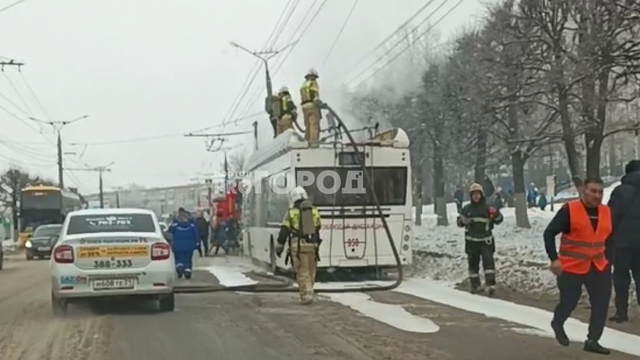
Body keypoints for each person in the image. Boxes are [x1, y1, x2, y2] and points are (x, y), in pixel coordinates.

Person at [543, 178, 612, 355]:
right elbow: (549, 233)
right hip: (571, 266)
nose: (597, 195)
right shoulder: (570, 210)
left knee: (601, 303)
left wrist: (610, 258)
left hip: (598, 265)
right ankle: (558, 322)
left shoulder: (605, 212)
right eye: (593, 191)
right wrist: (554, 259)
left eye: (600, 192)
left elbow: (609, 237)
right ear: (583, 191)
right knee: (570, 301)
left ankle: (593, 339)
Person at [275, 186, 321, 305]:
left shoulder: (291, 213)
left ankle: (306, 295)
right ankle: (310, 290)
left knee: (302, 271)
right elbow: (318, 227)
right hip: (313, 247)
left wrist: (279, 247)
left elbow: (284, 231)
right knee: (311, 271)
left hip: (298, 247)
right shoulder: (314, 211)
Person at [607, 160, 640, 323]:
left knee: (621, 277)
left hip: (622, 243)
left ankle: (621, 313)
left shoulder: (620, 191)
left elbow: (610, 217)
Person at [456, 183, 503, 296]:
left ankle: (490, 285)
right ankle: (475, 286)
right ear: (471, 196)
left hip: (485, 241)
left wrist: (495, 213)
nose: (476, 196)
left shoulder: (488, 207)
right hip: (471, 242)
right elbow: (459, 222)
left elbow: (499, 220)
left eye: (478, 194)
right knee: (473, 264)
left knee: (488, 263)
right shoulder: (467, 209)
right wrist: (462, 221)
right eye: (473, 194)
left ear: (481, 194)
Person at [168, 209, 199, 279]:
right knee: (188, 259)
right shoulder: (191, 225)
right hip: (189, 245)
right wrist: (197, 243)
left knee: (179, 258)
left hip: (178, 245)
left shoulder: (175, 225)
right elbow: (195, 235)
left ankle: (179, 269)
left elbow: (169, 231)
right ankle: (187, 272)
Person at [299, 68, 321, 144]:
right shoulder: (313, 82)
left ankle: (307, 141)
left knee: (308, 126)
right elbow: (315, 94)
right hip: (312, 106)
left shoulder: (304, 84)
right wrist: (319, 103)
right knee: (314, 124)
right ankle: (314, 142)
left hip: (305, 107)